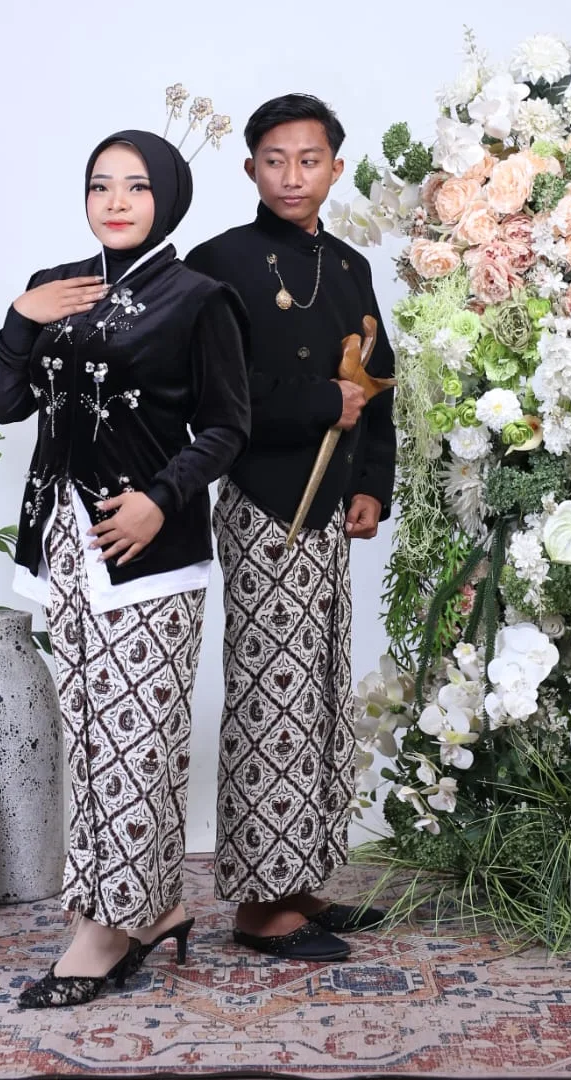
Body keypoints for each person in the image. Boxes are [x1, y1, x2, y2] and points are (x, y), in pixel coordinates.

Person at [0, 129, 250, 1009]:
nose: (117, 201)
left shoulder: (198, 298)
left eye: (137, 186)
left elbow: (227, 426)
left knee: (139, 741)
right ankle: (147, 906)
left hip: (146, 551)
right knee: (93, 737)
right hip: (63, 542)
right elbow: (5, 401)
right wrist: (21, 318)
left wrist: (161, 500)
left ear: (168, 197)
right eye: (101, 185)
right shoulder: (58, 285)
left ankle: (108, 928)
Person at [185, 93, 396, 962]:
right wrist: (318, 400)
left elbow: (377, 384)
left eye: (309, 160)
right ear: (250, 169)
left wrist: (372, 485)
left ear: (335, 169)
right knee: (272, 697)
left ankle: (298, 878)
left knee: (317, 696)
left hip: (330, 512)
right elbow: (211, 396)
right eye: (274, 160)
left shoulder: (347, 265)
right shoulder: (219, 262)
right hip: (267, 505)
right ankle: (259, 909)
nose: (292, 176)